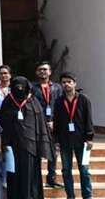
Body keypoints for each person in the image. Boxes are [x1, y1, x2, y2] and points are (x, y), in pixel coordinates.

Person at [0, 76, 51, 199]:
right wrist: (4, 143)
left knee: (30, 173)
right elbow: (3, 123)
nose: (20, 89)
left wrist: (40, 144)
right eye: (17, 87)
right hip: (13, 145)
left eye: (22, 87)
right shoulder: (8, 101)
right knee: (14, 174)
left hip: (31, 146)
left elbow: (40, 124)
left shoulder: (33, 101)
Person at [53, 71, 94, 199]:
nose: (66, 84)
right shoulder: (59, 101)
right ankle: (70, 195)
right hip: (65, 141)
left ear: (74, 83)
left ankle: (87, 195)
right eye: (64, 82)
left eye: (69, 82)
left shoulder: (84, 99)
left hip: (82, 141)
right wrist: (56, 139)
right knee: (66, 171)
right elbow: (57, 121)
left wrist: (90, 138)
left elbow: (89, 119)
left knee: (85, 170)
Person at [31, 60, 64, 189]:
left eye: (45, 69)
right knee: (37, 152)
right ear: (36, 72)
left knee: (53, 152)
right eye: (40, 69)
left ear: (50, 72)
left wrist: (56, 122)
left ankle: (51, 178)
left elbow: (61, 106)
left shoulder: (57, 87)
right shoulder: (32, 88)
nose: (43, 72)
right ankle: (36, 179)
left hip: (53, 125)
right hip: (38, 125)